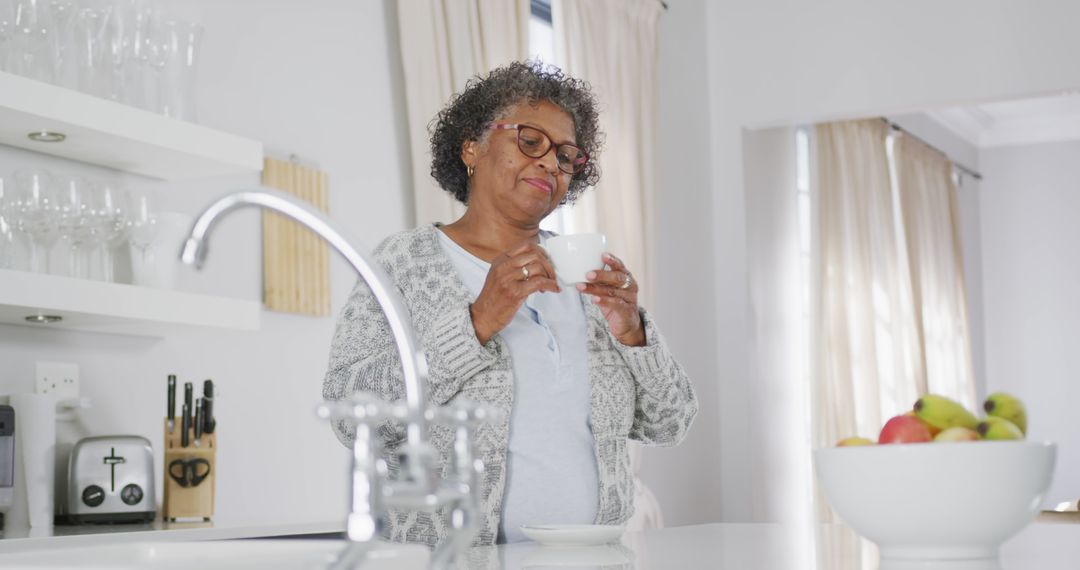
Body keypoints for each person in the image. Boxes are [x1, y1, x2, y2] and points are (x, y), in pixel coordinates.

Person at [322, 60, 697, 547]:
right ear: (472, 146)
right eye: (529, 140)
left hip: (593, 559)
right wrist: (475, 323)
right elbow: (351, 415)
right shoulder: (406, 263)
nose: (549, 163)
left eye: (566, 156)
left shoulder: (585, 276)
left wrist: (633, 334)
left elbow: (671, 423)